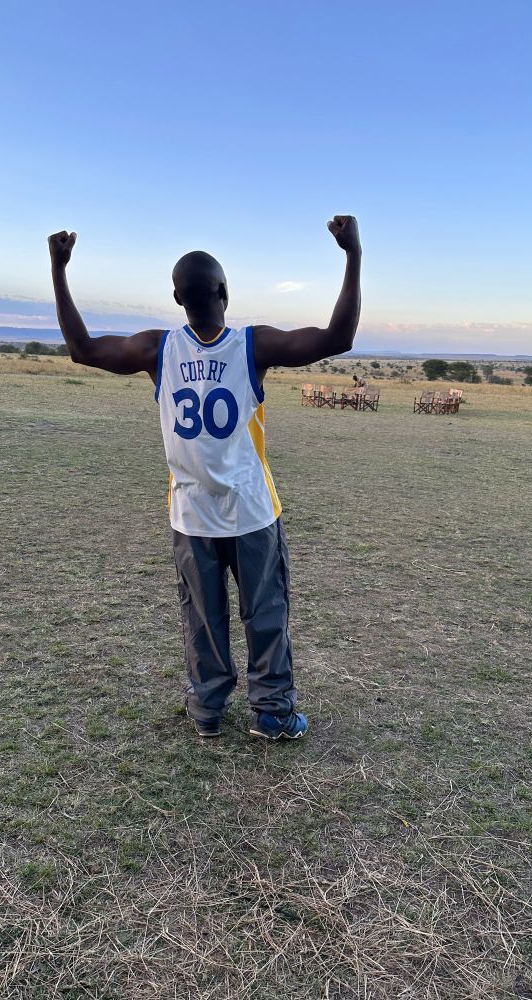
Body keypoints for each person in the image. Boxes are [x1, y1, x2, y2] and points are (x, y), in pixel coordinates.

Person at [48, 216, 362, 740]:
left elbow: (82, 348)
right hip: (252, 511)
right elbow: (339, 337)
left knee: (201, 616)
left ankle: (207, 710)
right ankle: (273, 712)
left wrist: (58, 269)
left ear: (177, 298)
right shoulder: (253, 345)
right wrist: (353, 254)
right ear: (225, 292)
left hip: (190, 515)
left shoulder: (157, 349)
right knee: (266, 611)